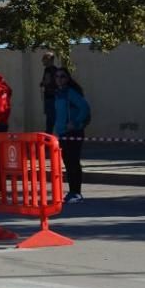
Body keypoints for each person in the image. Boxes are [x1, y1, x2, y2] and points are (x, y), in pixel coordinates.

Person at [52, 68, 91, 203]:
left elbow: (85, 108)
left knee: (73, 162)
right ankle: (72, 191)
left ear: (68, 78)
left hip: (73, 132)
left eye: (62, 76)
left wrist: (75, 122)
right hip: (63, 133)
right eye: (57, 77)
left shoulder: (70, 92)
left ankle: (77, 192)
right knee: (68, 163)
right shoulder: (58, 94)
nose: (59, 79)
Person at [40, 51, 57, 133]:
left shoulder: (48, 70)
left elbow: (47, 81)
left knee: (50, 120)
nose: (42, 60)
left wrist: (42, 83)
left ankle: (48, 137)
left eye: (44, 59)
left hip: (50, 98)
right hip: (55, 97)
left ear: (49, 59)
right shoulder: (56, 70)